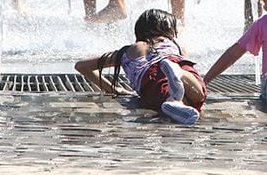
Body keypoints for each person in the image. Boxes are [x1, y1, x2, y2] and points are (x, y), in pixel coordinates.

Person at [74, 9, 206, 125]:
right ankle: (179, 74)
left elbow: (81, 66)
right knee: (199, 95)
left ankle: (175, 102)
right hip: (173, 62)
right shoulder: (173, 44)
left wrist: (113, 89)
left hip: (148, 79)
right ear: (167, 29)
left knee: (162, 98)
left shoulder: (128, 51)